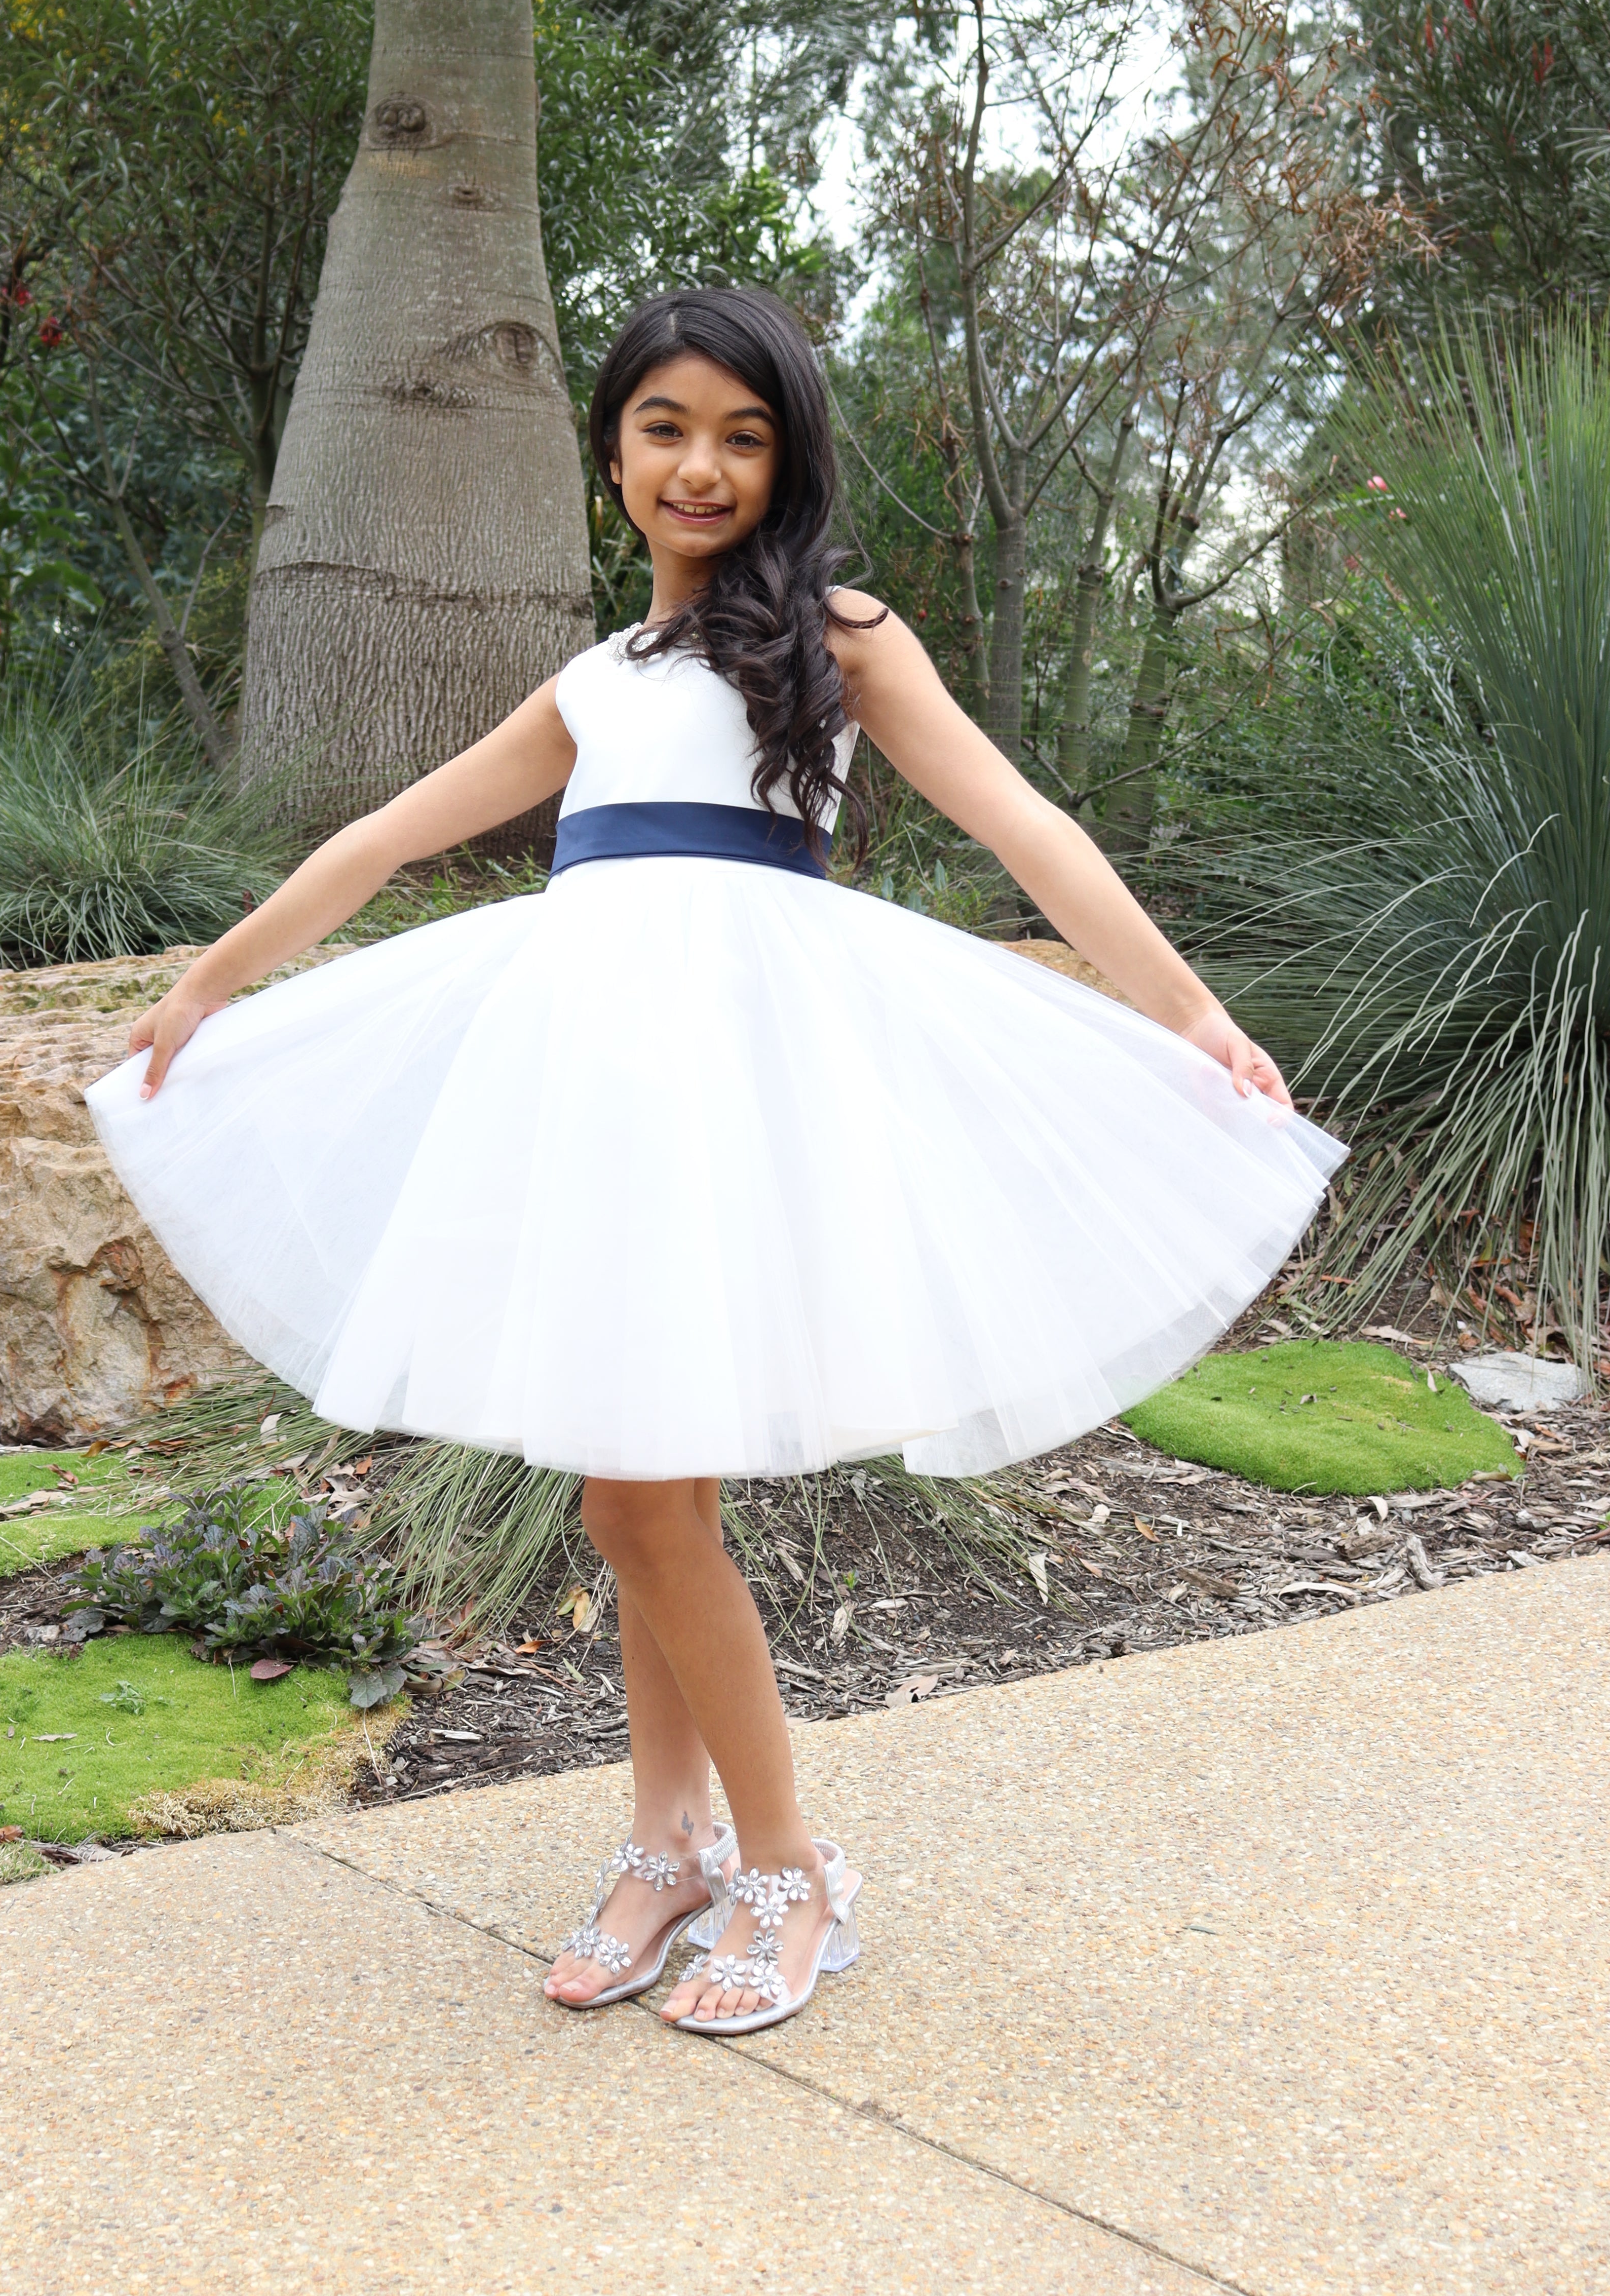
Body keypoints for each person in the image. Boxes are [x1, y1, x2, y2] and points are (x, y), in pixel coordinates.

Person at [87, 284, 1343, 2038]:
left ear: (788, 459)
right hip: (596, 1103)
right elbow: (386, 832)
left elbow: (1027, 825)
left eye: (742, 436)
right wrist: (213, 984)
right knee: (634, 1483)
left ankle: (791, 1868)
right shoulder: (594, 681)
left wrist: (1195, 1016)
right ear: (613, 454)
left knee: (637, 1499)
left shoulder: (838, 635)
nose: (702, 465)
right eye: (667, 429)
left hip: (738, 1096)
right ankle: (667, 1845)